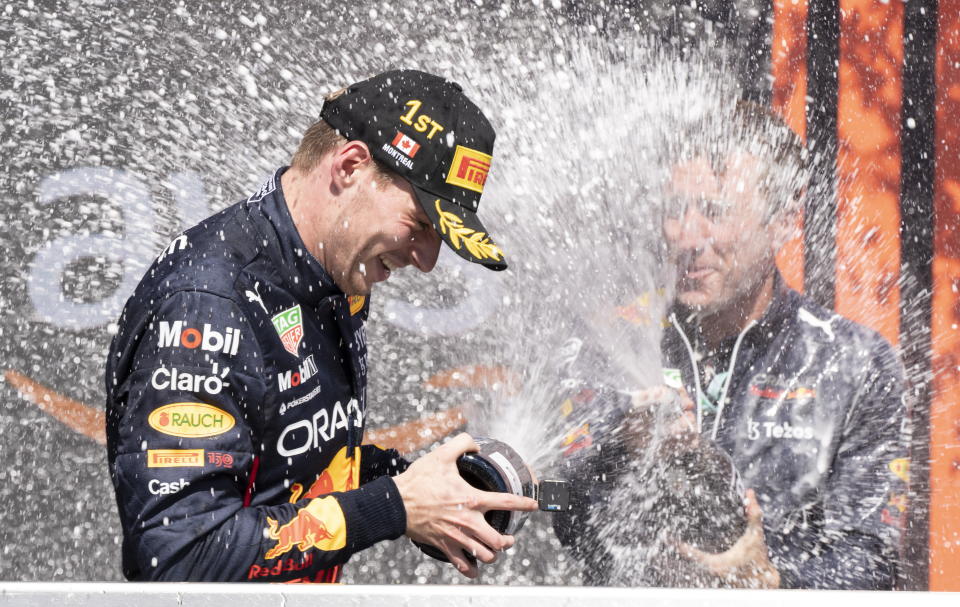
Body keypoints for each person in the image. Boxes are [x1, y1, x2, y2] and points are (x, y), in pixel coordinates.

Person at [105, 70, 537, 582]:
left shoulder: (332, 274)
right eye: (421, 224)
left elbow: (290, 469)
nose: (426, 260)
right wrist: (393, 505)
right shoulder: (208, 304)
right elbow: (180, 554)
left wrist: (429, 488)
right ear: (351, 165)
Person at [553, 102, 909, 589]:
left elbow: (871, 562)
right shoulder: (613, 344)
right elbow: (568, 522)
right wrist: (622, 452)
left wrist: (773, 581)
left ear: (783, 221)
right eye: (677, 210)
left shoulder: (853, 362)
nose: (689, 237)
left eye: (715, 212)